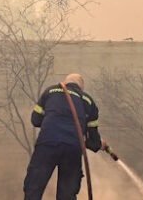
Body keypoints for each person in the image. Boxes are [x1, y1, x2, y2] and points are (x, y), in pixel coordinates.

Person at [22, 72, 105, 200]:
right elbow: (92, 141)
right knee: (67, 193)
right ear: (81, 87)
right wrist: (99, 145)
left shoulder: (50, 92)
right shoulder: (87, 100)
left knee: (34, 187)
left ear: (65, 82)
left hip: (47, 145)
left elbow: (36, 120)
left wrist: (53, 121)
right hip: (72, 149)